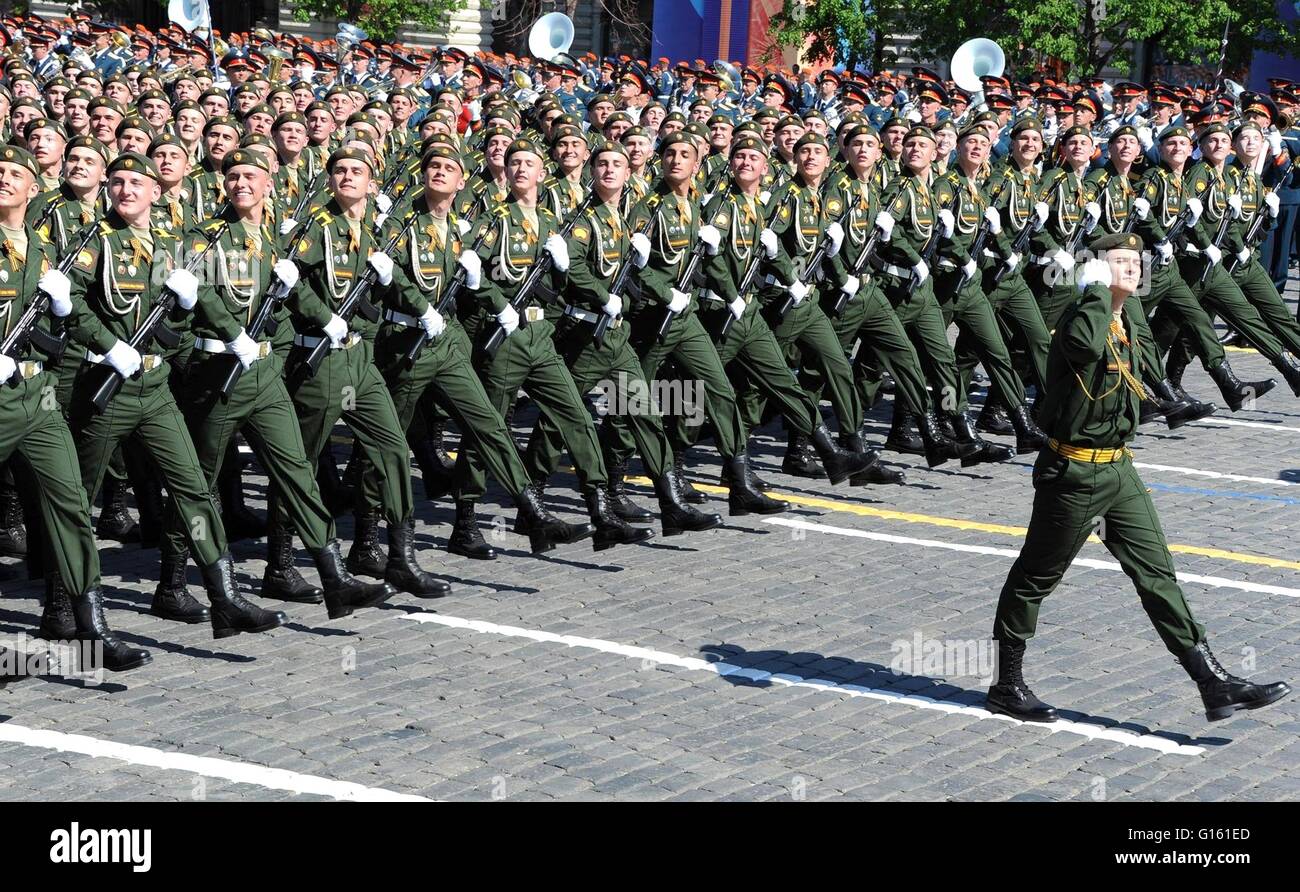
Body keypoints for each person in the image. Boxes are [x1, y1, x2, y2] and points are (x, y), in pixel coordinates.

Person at [988, 231, 1291, 723]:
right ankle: (1006, 684)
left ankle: (1212, 682)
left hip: (1119, 467)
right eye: (1119, 262)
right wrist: (1093, 291)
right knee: (1035, 577)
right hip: (1075, 472)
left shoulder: (1127, 316)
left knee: (1156, 572)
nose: (1131, 268)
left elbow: (1149, 367)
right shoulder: (1081, 315)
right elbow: (1085, 350)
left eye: (1135, 261)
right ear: (1098, 270)